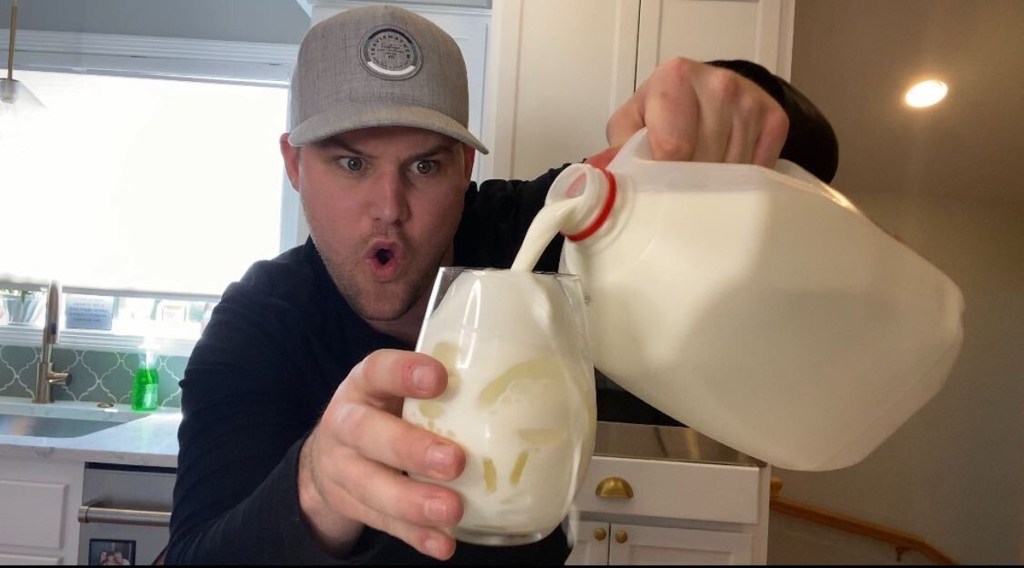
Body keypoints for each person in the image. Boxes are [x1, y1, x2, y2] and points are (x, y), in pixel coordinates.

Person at [165, 4, 838, 565]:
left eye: (424, 166)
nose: (389, 207)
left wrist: (735, 103)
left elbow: (807, 158)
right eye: (350, 162)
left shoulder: (535, 229)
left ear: (464, 166)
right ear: (293, 165)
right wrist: (314, 486)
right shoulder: (257, 326)